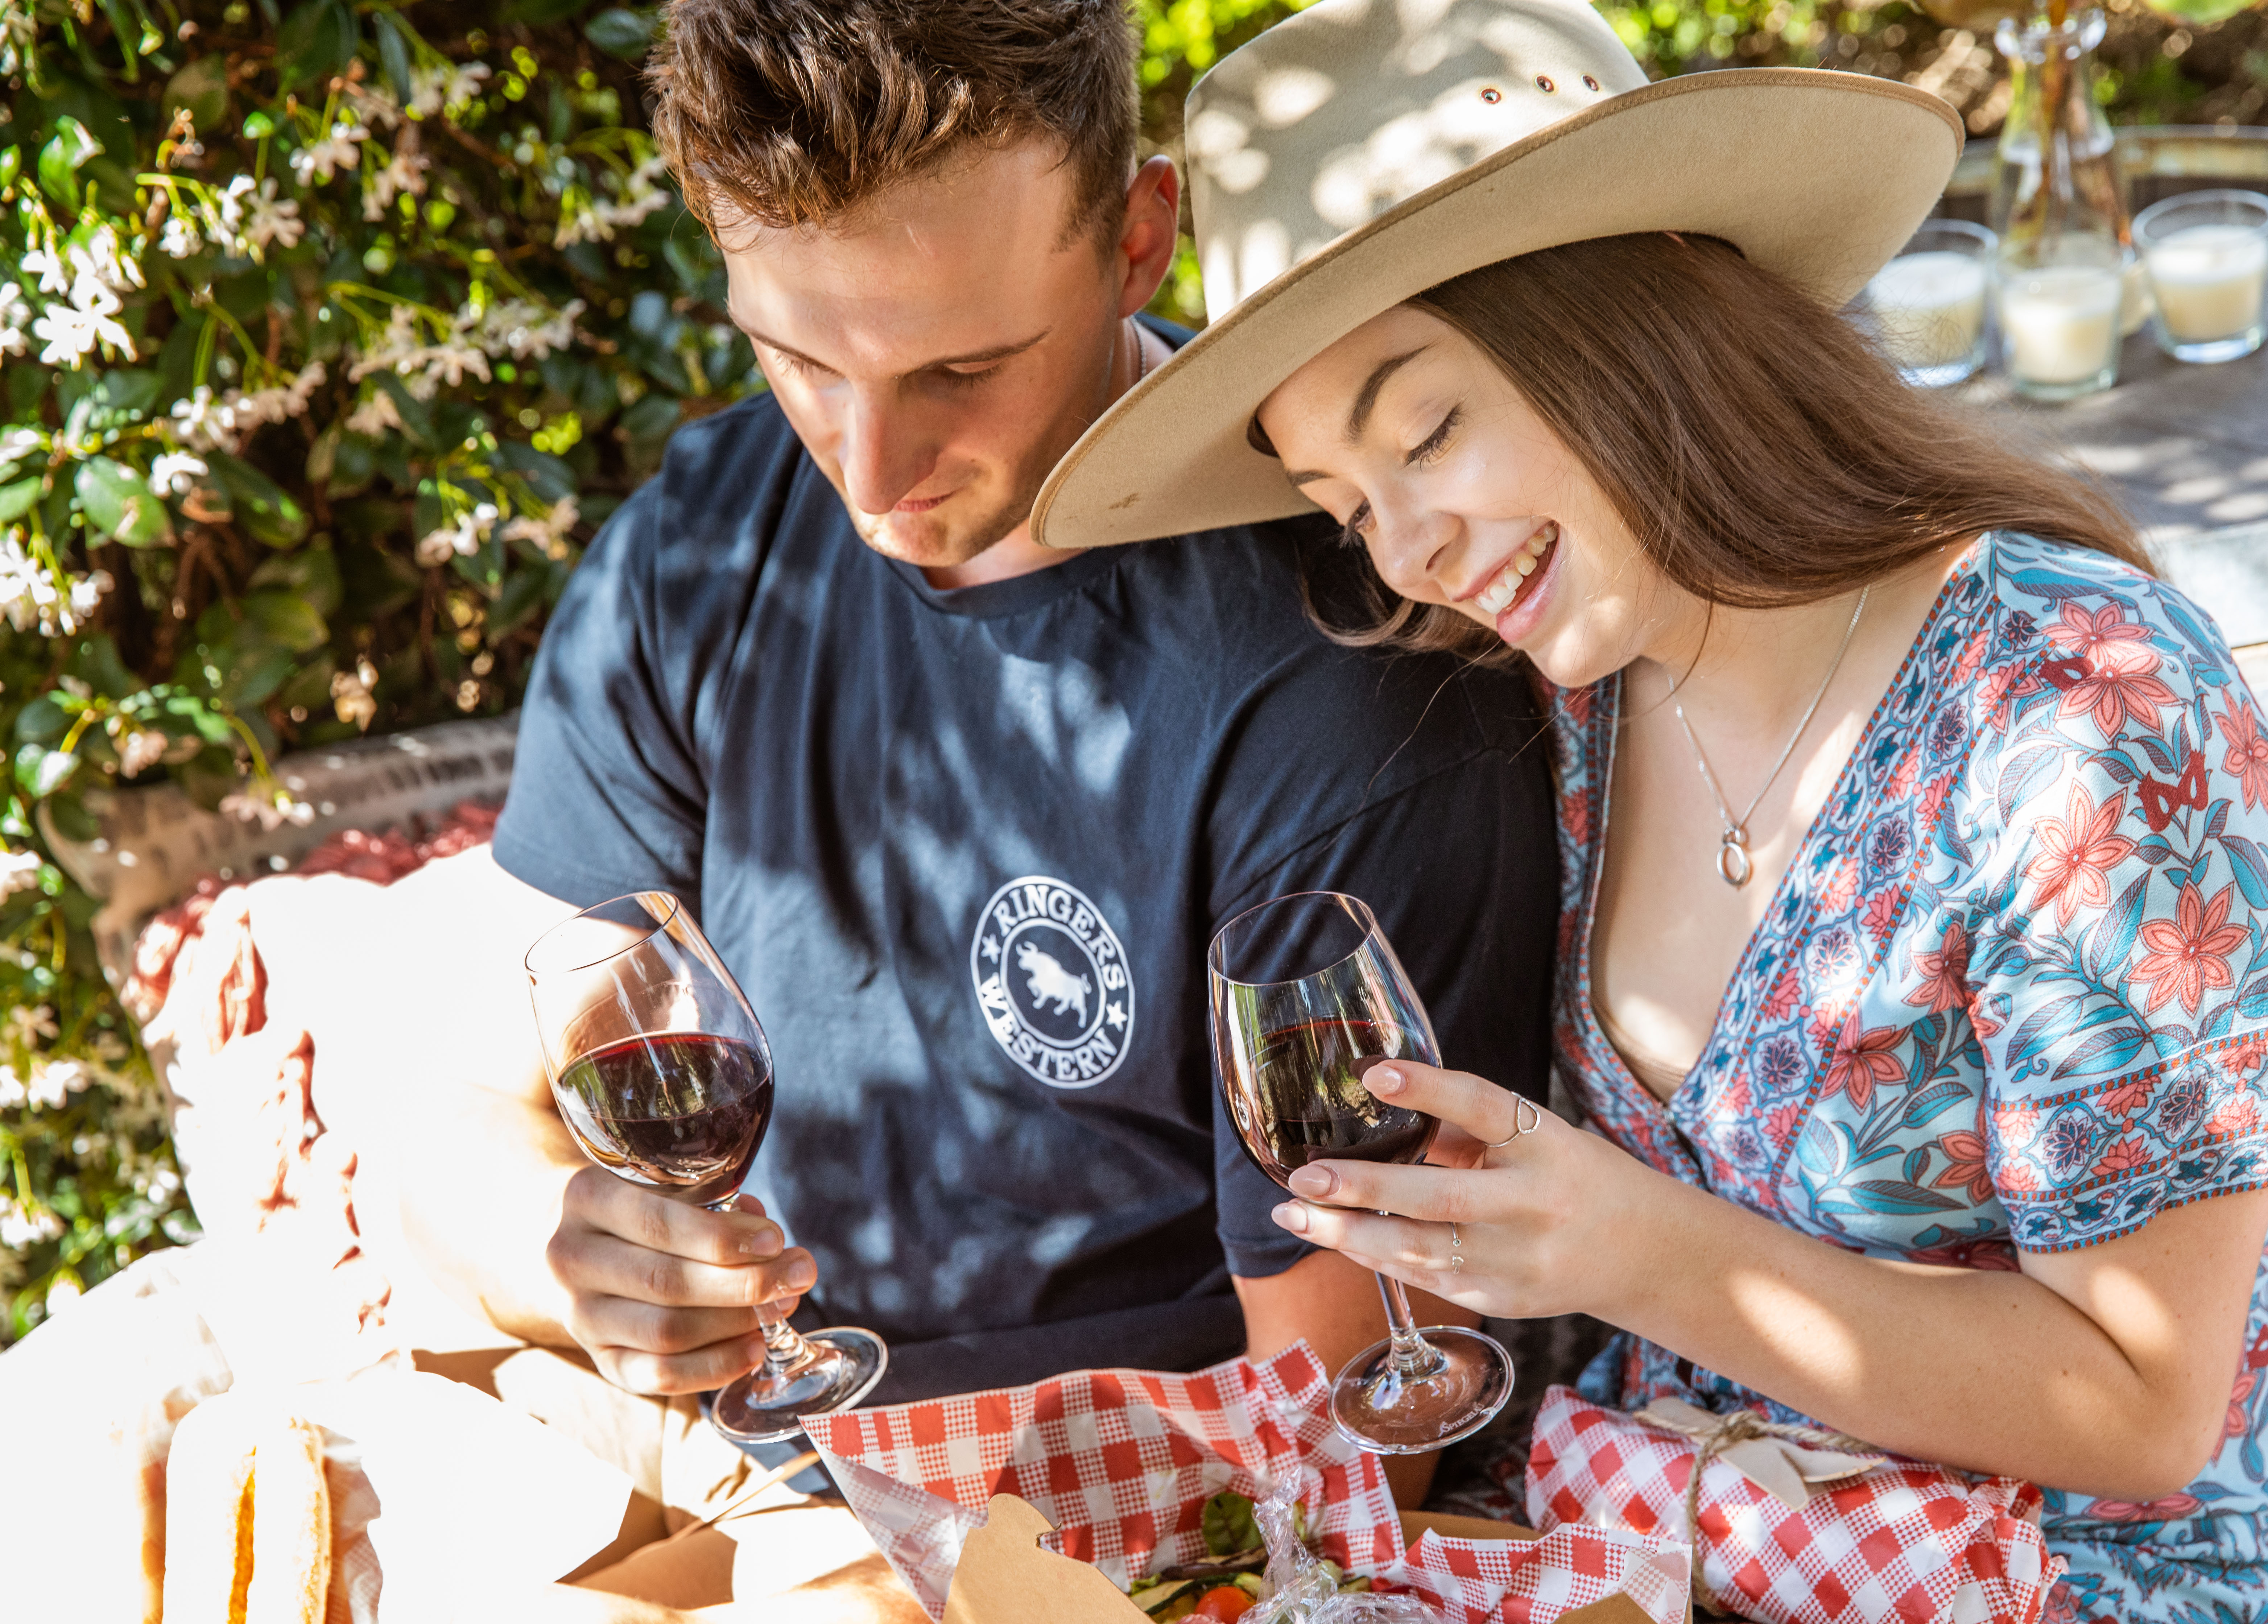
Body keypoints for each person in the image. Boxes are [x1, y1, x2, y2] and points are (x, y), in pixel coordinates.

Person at [1032, 1, 2268, 1618]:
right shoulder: (1570, 696)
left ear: (1632, 313)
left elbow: (2147, 1406)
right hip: (1671, 1549)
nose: (1408, 553)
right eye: (1345, 503)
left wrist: (1623, 1247)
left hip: (2071, 1585)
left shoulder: (2083, 709)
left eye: (1426, 428)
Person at [358, 0, 1557, 1602]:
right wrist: (570, 1259)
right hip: (729, 1450)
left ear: (1139, 241)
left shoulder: (1339, 675)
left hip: (1105, 1521)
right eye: (794, 356)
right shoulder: (694, 556)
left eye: (960, 368)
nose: (869, 465)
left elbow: (1341, 1447)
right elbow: (443, 1129)